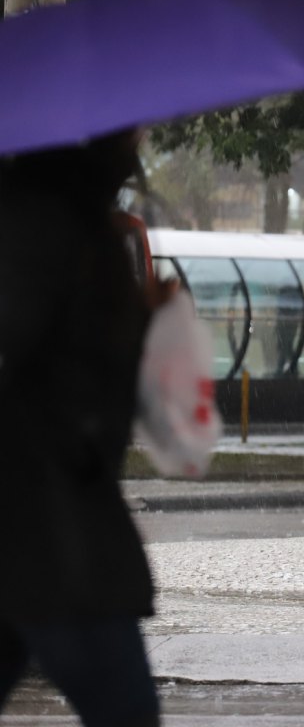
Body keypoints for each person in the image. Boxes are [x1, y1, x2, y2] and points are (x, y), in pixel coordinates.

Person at [0, 130, 171, 726]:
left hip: (44, 524)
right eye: (131, 130)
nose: (140, 139)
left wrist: (141, 325)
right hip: (52, 530)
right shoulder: (42, 225)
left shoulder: (69, 218)